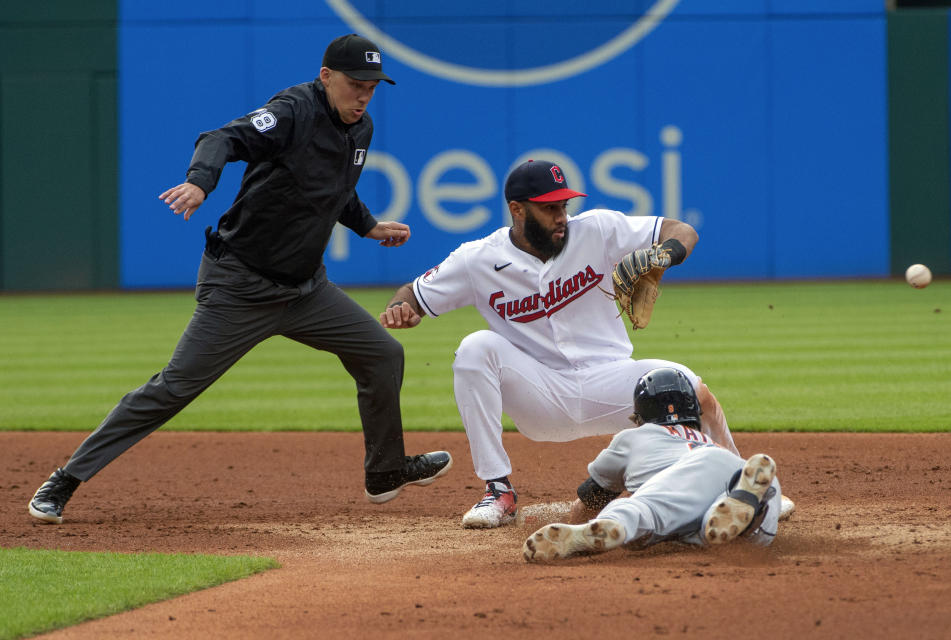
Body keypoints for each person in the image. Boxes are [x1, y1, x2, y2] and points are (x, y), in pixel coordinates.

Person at [28, 34, 451, 525]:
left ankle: (384, 473)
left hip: (306, 290)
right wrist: (198, 182)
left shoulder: (361, 128)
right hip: (240, 286)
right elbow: (220, 139)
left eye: (372, 87)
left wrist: (368, 226)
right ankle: (66, 479)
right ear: (326, 77)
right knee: (174, 388)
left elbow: (336, 190)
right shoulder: (292, 111)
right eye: (355, 84)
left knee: (383, 354)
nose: (364, 95)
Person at [379, 159, 739, 530]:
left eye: (563, 206)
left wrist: (665, 254)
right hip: (543, 395)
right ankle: (498, 490)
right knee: (475, 347)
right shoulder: (478, 258)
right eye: (549, 208)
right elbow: (414, 294)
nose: (561, 216)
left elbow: (683, 230)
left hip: (612, 384)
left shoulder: (597, 229)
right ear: (517, 210)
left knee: (692, 387)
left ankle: (739, 484)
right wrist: (399, 309)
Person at [522, 367, 782, 563]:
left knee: (639, 510)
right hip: (730, 468)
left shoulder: (631, 438)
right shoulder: (706, 440)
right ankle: (733, 511)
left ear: (641, 413)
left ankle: (607, 526)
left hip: (689, 477)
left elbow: (590, 501)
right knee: (709, 530)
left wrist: (579, 521)